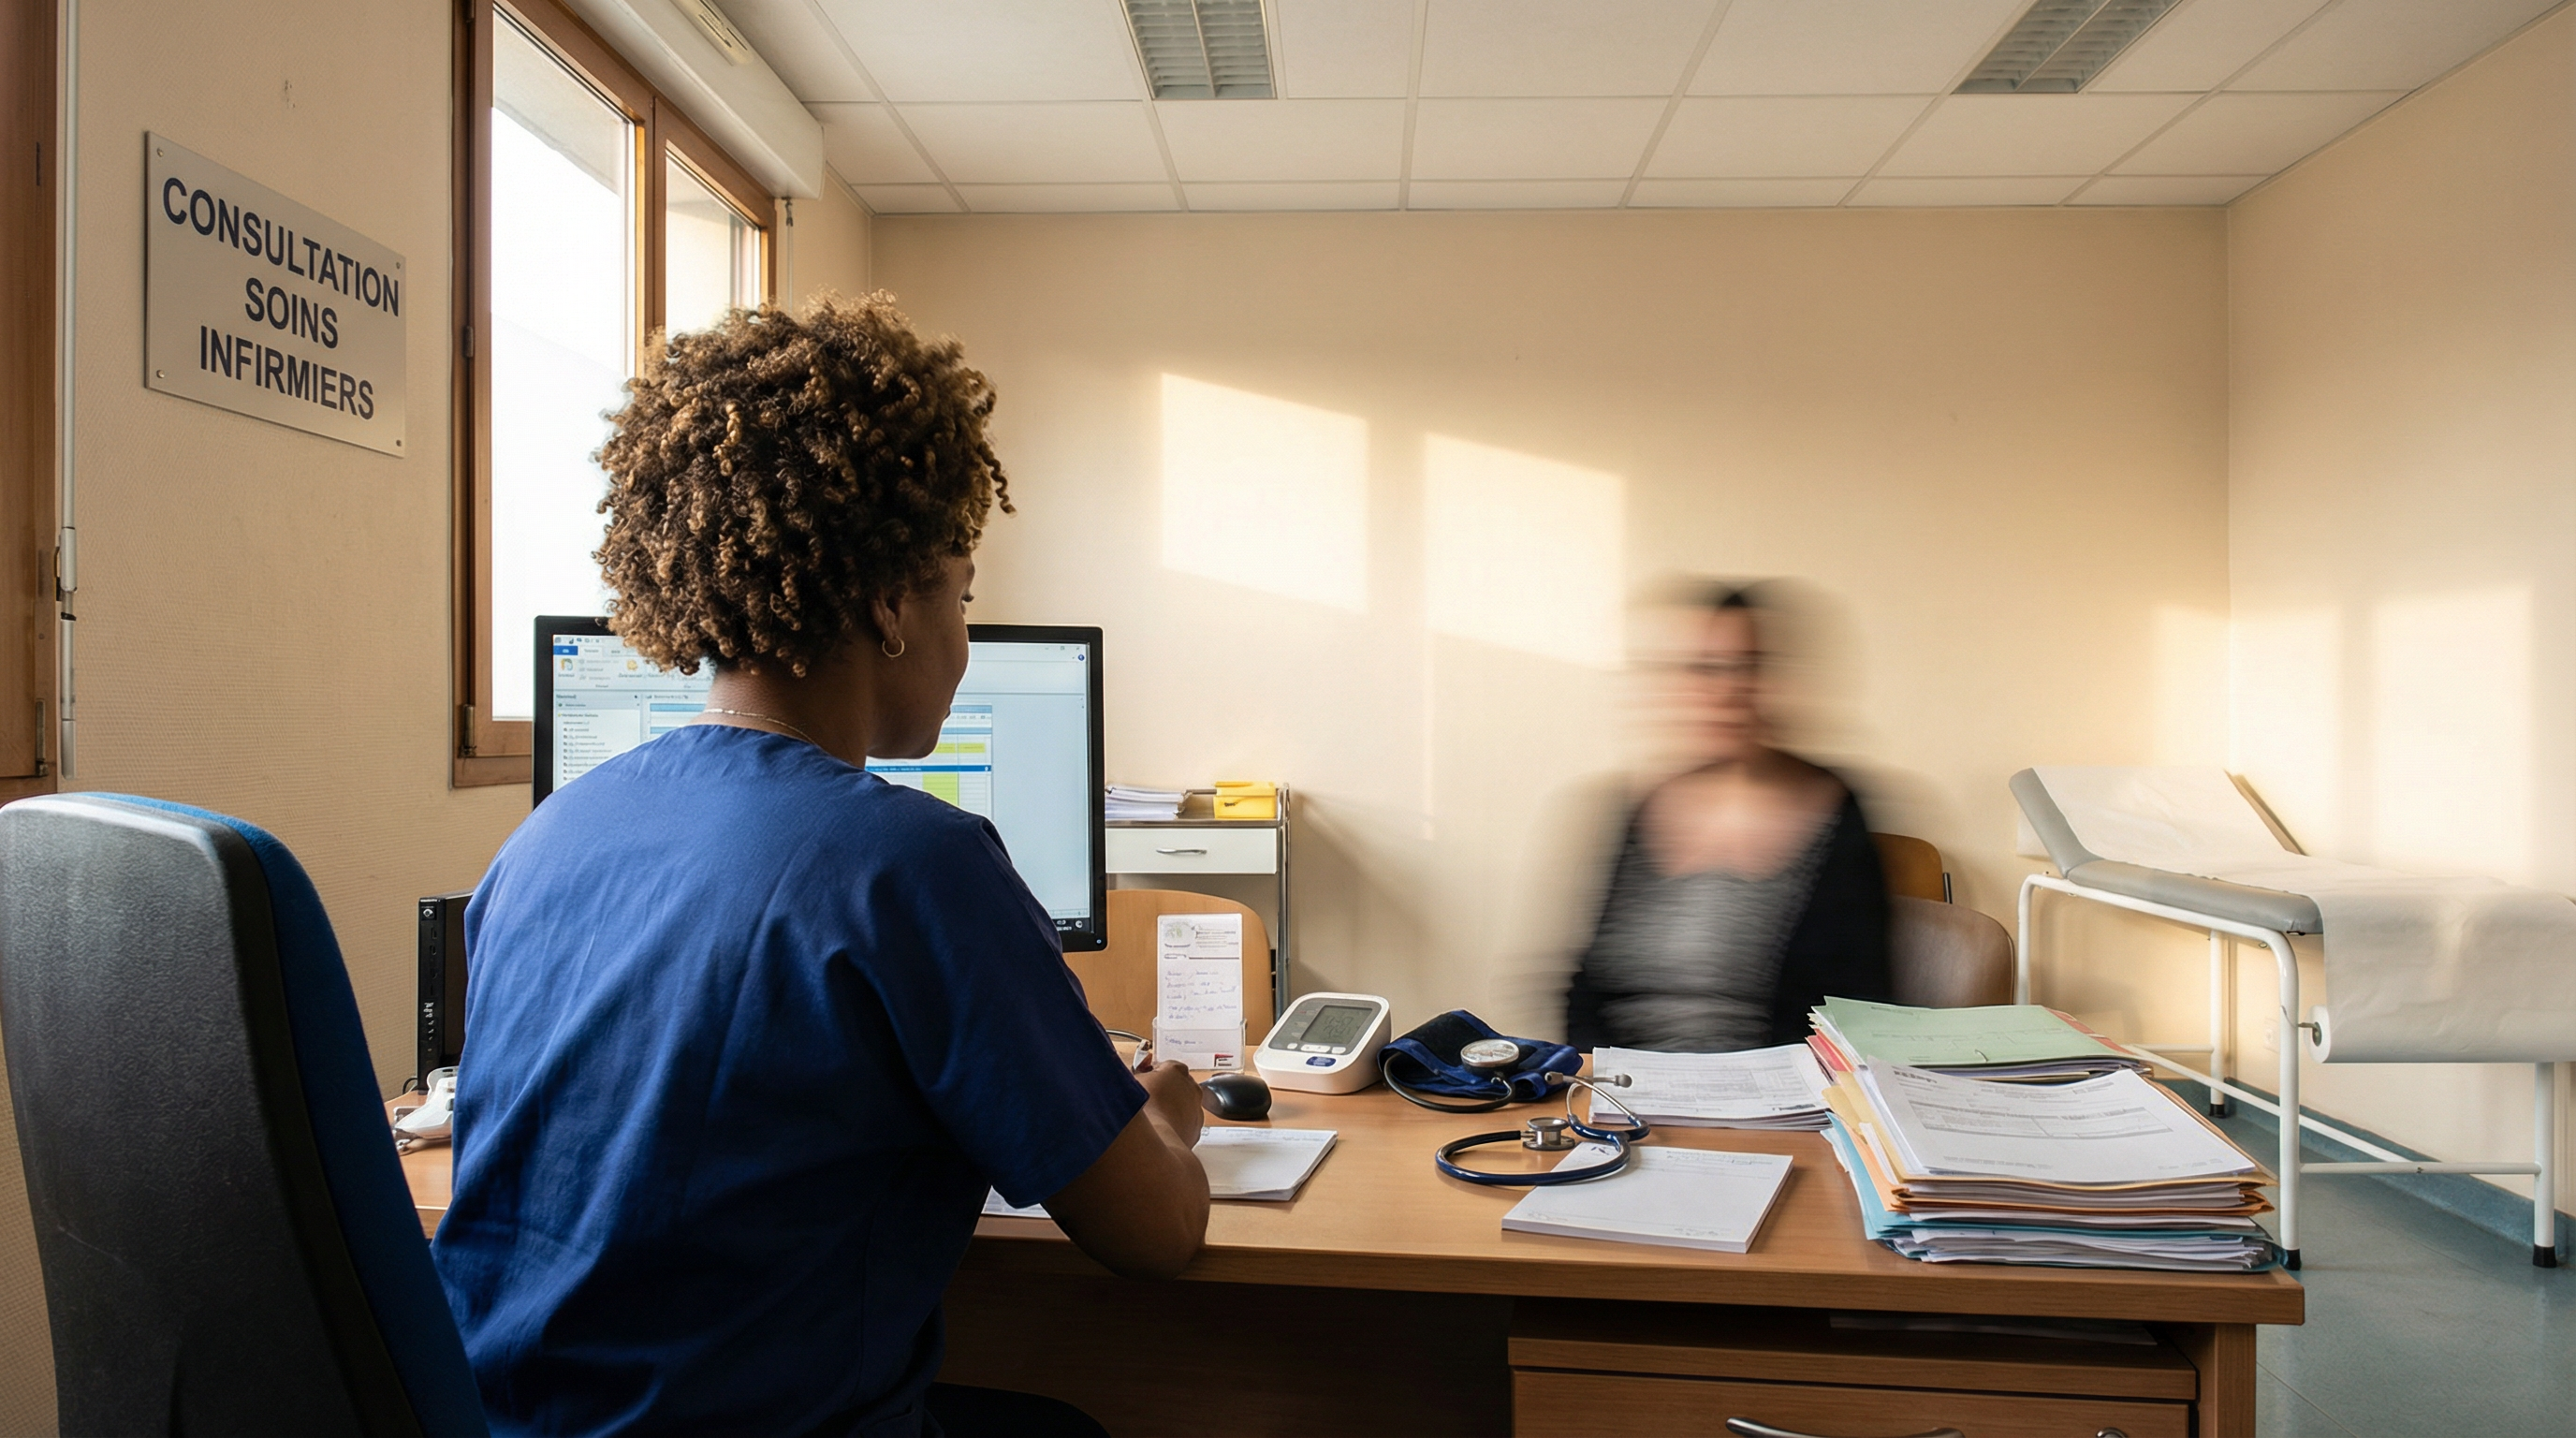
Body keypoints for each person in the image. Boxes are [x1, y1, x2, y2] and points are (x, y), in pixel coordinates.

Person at [433, 294, 1208, 1438]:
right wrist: (1167, 1125)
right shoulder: (914, 864)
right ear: (893, 602)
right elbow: (1158, 1234)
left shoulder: (542, 842)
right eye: (962, 595)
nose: (961, 639)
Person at [1564, 582, 1892, 1052]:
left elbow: (1860, 1011)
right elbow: (1583, 990)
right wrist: (1600, 1087)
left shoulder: (1836, 812)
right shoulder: (1633, 809)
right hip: (1625, 1099)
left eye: (1748, 667)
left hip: (1777, 1106)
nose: (1728, 690)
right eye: (1705, 669)